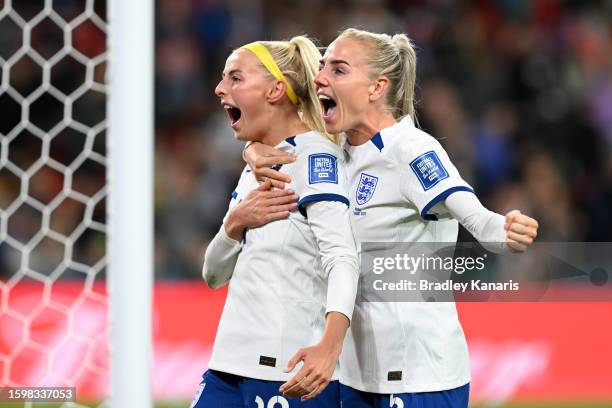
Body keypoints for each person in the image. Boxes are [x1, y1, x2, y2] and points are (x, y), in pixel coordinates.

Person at [244, 28, 539, 408]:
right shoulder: (332, 153)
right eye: (322, 68)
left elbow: (479, 220)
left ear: (376, 87)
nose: (320, 78)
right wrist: (250, 151)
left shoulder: (409, 150)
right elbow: (272, 132)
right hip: (354, 374)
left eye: (338, 69)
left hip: (418, 373)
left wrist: (506, 229)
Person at [190, 36, 360, 408]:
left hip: (283, 371)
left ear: (275, 90)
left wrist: (330, 348)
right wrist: (234, 224)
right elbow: (213, 274)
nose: (220, 89)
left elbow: (343, 258)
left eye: (235, 78)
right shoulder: (258, 164)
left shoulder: (316, 159)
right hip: (228, 364)